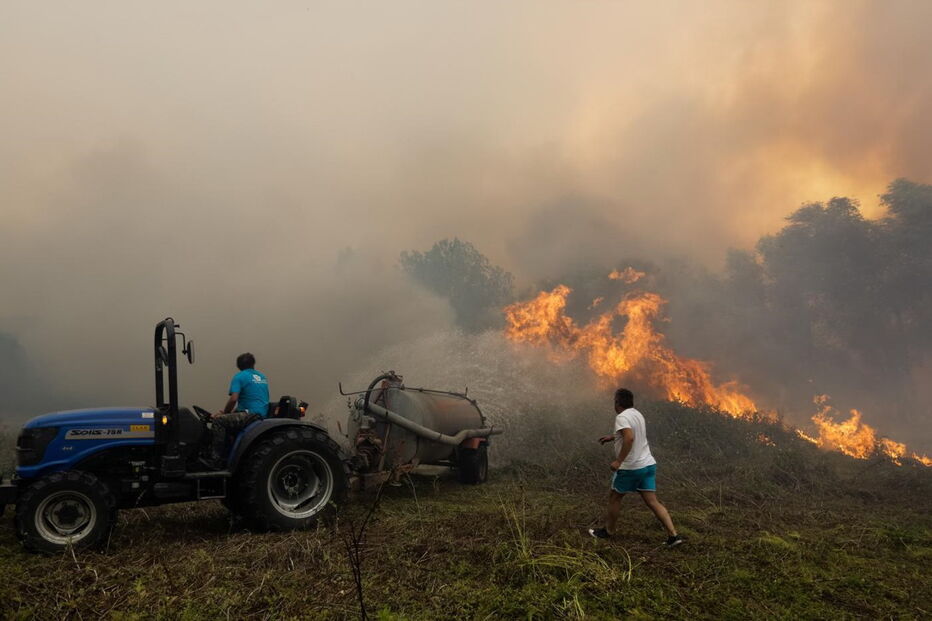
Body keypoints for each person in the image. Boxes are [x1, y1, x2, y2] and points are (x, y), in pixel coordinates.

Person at [588, 388, 684, 547]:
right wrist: (613, 437)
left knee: (614, 497)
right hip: (648, 465)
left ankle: (608, 532)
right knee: (653, 501)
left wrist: (618, 461)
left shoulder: (621, 417)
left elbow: (630, 438)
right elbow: (631, 433)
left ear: (617, 402)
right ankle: (674, 536)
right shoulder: (637, 414)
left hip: (631, 467)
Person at [202, 353, 270, 469]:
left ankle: (215, 461)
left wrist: (224, 413)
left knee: (219, 421)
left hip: (250, 414)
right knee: (225, 420)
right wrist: (230, 413)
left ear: (238, 365)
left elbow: (234, 399)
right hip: (259, 414)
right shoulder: (262, 377)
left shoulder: (240, 376)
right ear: (253, 364)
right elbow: (250, 401)